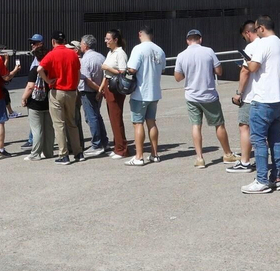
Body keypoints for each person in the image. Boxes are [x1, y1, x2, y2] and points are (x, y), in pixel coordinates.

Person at [236, 16, 280, 193]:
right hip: (279, 99)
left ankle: (261, 180)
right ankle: (276, 178)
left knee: (259, 141)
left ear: (261, 28)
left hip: (263, 99)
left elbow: (252, 68)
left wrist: (247, 59)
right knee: (276, 139)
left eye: (257, 28)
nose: (256, 32)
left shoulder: (263, 44)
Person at [174, 29, 232, 168]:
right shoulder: (208, 51)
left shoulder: (181, 55)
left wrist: (189, 73)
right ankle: (227, 154)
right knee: (219, 124)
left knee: (196, 125)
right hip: (209, 95)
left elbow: (178, 77)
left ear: (187, 41)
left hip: (191, 96)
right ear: (200, 39)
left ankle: (199, 158)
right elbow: (219, 71)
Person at [124, 26, 165, 165]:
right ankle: (154, 154)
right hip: (155, 92)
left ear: (140, 33)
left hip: (140, 92)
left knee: (138, 123)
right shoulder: (159, 50)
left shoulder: (138, 48)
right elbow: (162, 69)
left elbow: (132, 68)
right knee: (151, 122)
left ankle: (139, 156)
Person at [41, 33, 84, 164]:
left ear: (53, 41)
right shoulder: (72, 54)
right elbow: (78, 72)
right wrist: (75, 85)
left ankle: (63, 154)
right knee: (72, 122)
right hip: (71, 91)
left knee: (59, 124)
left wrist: (47, 80)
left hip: (57, 90)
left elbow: (40, 68)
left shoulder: (52, 54)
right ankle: (78, 152)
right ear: (64, 41)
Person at [226, 21, 258, 174]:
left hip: (251, 95)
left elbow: (246, 71)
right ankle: (261, 160)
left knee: (244, 126)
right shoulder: (269, 44)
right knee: (263, 129)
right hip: (266, 95)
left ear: (247, 33)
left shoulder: (251, 47)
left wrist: (239, 93)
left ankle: (245, 162)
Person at [99, 30, 132, 160]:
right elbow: (106, 72)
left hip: (116, 87)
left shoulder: (120, 53)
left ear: (115, 40)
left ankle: (122, 149)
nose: (106, 41)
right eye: (105, 38)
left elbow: (123, 72)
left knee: (116, 117)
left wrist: (107, 68)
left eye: (108, 39)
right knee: (112, 118)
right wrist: (101, 87)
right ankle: (117, 146)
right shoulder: (111, 52)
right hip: (108, 85)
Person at [77, 34, 109, 155]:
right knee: (96, 116)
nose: (80, 45)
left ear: (85, 45)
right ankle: (104, 142)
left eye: (81, 43)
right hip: (99, 90)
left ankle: (97, 144)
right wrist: (100, 90)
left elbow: (87, 80)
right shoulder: (101, 56)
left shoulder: (86, 59)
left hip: (89, 91)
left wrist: (99, 90)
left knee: (91, 117)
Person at [21, 48, 54, 160]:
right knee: (49, 129)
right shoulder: (51, 69)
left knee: (37, 129)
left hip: (35, 103)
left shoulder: (35, 70)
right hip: (49, 101)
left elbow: (30, 86)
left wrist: (24, 98)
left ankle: (35, 154)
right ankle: (48, 152)